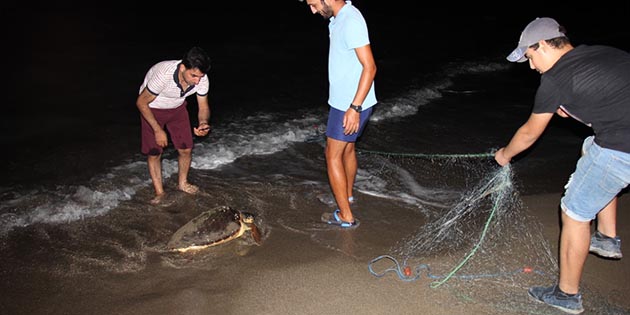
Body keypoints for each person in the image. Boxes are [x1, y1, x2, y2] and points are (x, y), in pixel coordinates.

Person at [495, 17, 630, 314]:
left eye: (530, 57)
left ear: (542, 45)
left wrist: (504, 155)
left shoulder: (555, 78)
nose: (531, 67)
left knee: (574, 211)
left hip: (622, 149)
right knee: (589, 146)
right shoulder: (601, 53)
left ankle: (567, 296)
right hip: (621, 137)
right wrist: (571, 108)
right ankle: (607, 237)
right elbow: (611, 97)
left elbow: (529, 133)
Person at [300, 0, 377, 228]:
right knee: (347, 149)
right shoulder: (337, 19)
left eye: (314, 4)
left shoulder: (351, 20)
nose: (313, 11)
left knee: (331, 154)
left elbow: (370, 67)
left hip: (349, 105)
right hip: (349, 102)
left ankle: (346, 216)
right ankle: (348, 196)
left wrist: (354, 108)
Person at [136, 46, 212, 204]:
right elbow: (141, 102)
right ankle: (160, 192)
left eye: (201, 76)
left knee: (186, 148)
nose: (197, 80)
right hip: (152, 108)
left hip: (177, 108)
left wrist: (203, 122)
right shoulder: (164, 74)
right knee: (154, 152)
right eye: (193, 75)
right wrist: (157, 130)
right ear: (183, 67)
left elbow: (203, 106)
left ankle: (182, 183)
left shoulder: (201, 78)